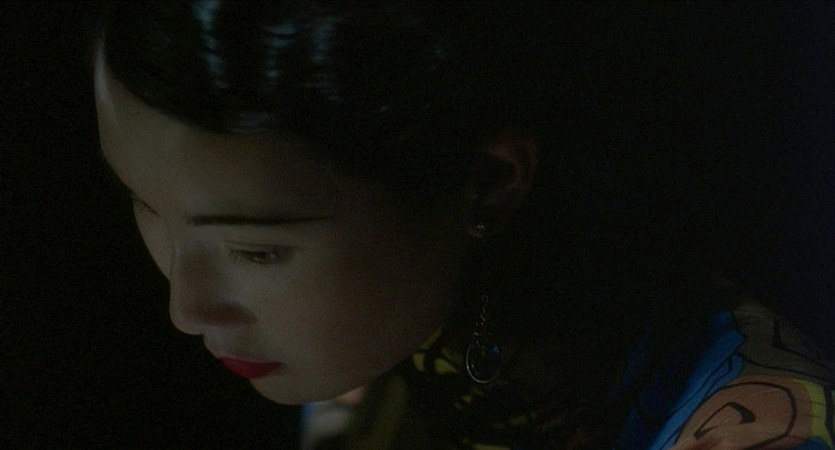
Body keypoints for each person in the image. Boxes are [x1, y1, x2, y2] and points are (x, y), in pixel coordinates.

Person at [92, 2, 834, 448]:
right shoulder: (375, 338)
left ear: (486, 184)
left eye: (256, 251)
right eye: (145, 205)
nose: (186, 308)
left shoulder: (752, 426)